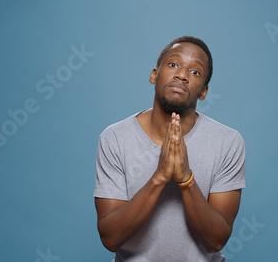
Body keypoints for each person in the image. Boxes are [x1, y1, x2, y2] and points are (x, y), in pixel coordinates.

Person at [94, 36, 246, 261]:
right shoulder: (114, 138)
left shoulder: (228, 142)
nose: (182, 75)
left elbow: (216, 240)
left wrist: (186, 179)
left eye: (195, 72)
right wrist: (159, 178)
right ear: (154, 75)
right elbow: (110, 238)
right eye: (173, 64)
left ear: (203, 92)